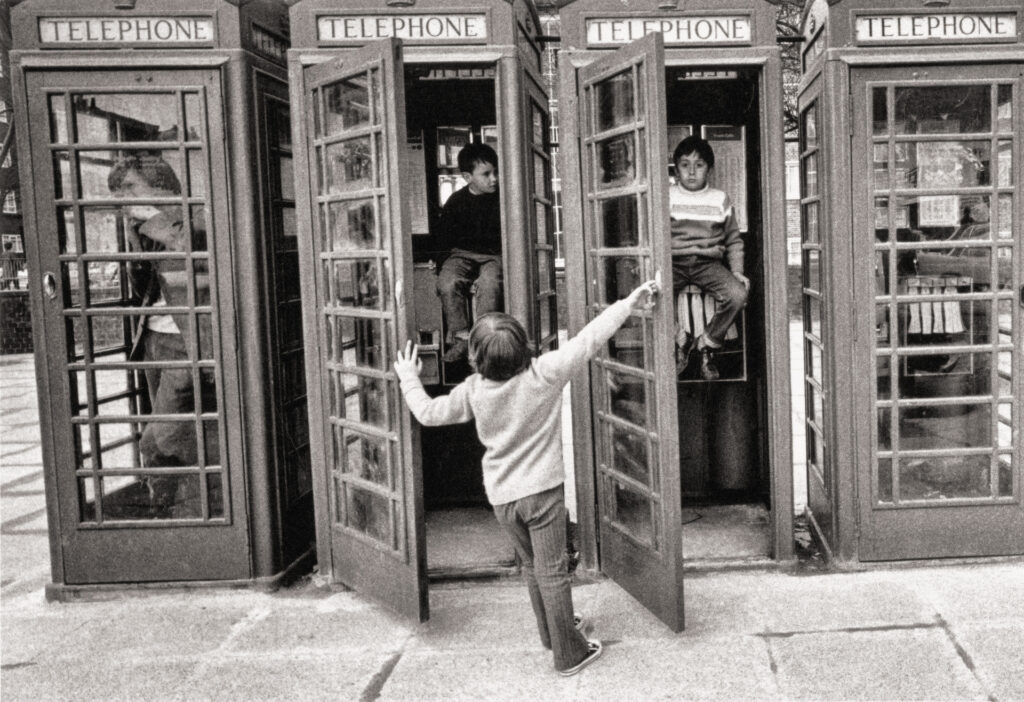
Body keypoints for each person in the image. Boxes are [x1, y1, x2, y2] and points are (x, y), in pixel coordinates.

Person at [393, 278, 661, 676]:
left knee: (534, 567)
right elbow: (589, 338)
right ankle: (570, 654)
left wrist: (408, 377)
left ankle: (552, 632)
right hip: (543, 495)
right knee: (552, 571)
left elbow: (428, 413)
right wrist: (630, 302)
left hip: (503, 498)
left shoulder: (472, 391)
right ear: (524, 347)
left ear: (475, 358)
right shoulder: (545, 373)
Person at [108, 154, 216, 517]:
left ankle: (164, 511)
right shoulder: (141, 230)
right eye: (116, 191)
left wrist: (150, 218)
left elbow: (191, 248)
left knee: (157, 441)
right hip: (153, 341)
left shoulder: (197, 216)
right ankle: (182, 510)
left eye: (129, 188)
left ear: (160, 185)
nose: (121, 198)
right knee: (175, 434)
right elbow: (145, 289)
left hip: (188, 343)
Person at [669, 135, 749, 380]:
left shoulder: (720, 199)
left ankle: (708, 342)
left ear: (710, 169)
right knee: (651, 296)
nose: (692, 172)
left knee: (737, 295)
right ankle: (679, 339)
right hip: (673, 262)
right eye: (685, 165)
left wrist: (737, 271)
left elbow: (734, 239)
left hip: (708, 264)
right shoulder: (666, 197)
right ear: (676, 169)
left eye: (699, 165)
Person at [434, 142, 503, 362]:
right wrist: (442, 263)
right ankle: (462, 337)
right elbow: (443, 237)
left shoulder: (504, 199)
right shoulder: (455, 202)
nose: (495, 178)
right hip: (461, 254)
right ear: (467, 177)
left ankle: (484, 342)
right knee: (447, 282)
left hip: (494, 255)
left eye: (496, 172)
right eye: (487, 174)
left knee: (489, 285)